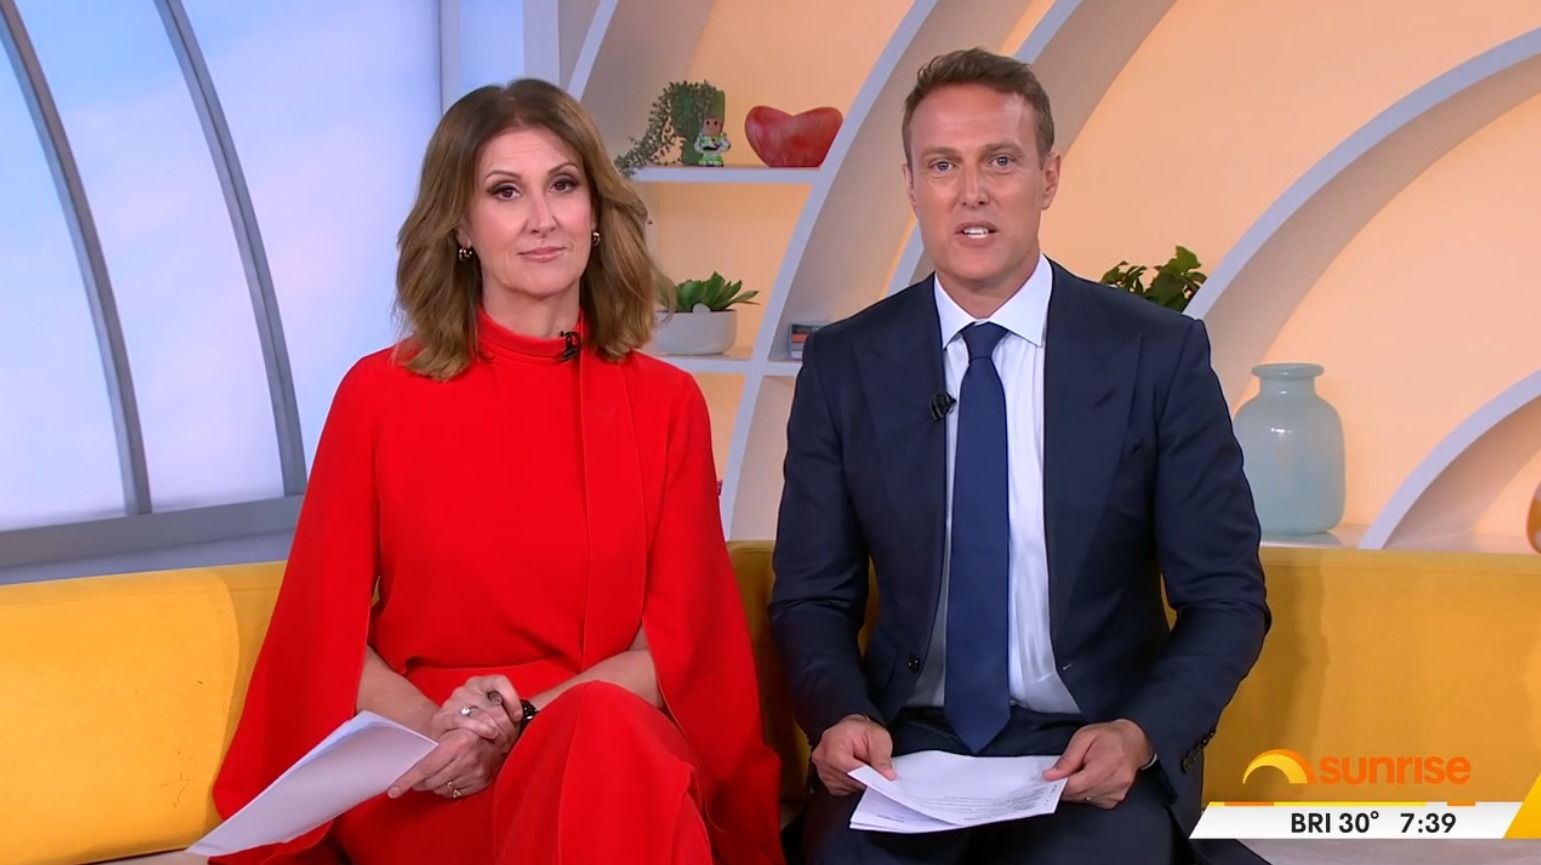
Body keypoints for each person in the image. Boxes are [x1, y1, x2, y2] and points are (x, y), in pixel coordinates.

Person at [210, 78, 784, 865]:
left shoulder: (667, 404)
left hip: (594, 735)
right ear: (460, 224)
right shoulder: (377, 396)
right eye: (505, 192)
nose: (542, 218)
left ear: (595, 210)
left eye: (563, 185)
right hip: (430, 758)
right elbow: (323, 635)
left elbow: (676, 651)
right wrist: (441, 728)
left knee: (608, 740)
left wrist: (517, 723)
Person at [770, 48, 1271, 865]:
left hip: (1088, 744)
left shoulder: (1154, 355)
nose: (970, 192)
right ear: (911, 186)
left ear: (1047, 177)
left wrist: (1138, 733)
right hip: (906, 744)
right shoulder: (845, 364)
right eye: (942, 165)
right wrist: (840, 715)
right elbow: (810, 596)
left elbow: (1225, 597)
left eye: (999, 161)